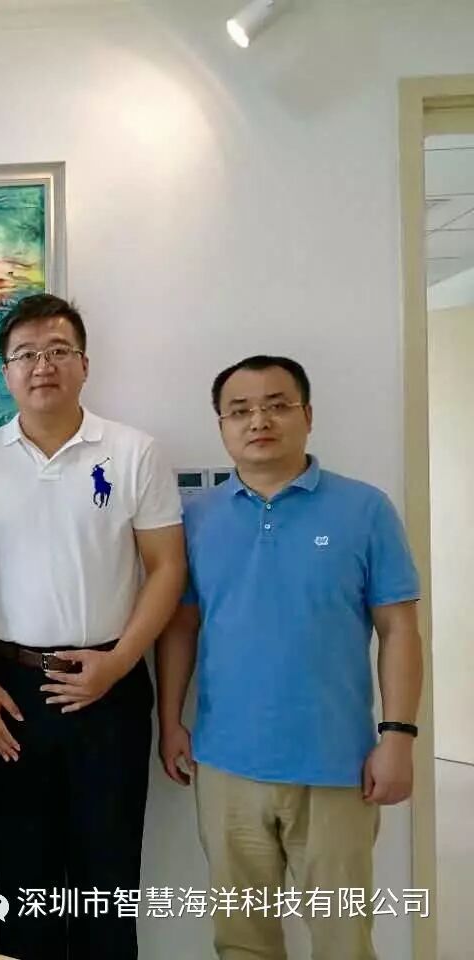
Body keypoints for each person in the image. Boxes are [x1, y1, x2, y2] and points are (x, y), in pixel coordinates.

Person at [155, 355, 422, 960]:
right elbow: (181, 627)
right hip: (226, 765)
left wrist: (399, 737)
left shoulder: (365, 509)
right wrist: (169, 721)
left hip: (337, 765)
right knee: (241, 939)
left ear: (308, 415)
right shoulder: (195, 518)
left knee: (343, 938)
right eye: (240, 410)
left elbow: (399, 628)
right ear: (222, 425)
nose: (259, 421)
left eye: (277, 405)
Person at [0, 293, 186, 960]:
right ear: (6, 372)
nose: (42, 366)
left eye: (58, 351)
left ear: (84, 364)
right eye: (25, 354)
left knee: (108, 880)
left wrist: (119, 663)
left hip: (111, 683)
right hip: (11, 691)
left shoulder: (134, 452)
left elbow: (167, 568)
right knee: (25, 881)